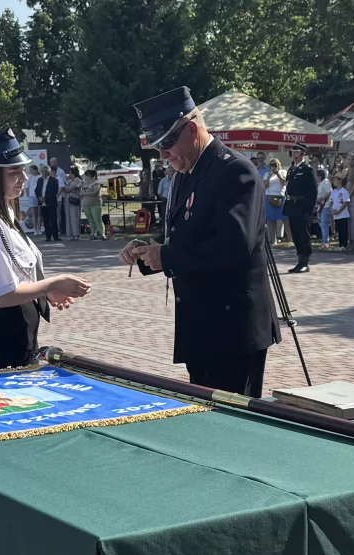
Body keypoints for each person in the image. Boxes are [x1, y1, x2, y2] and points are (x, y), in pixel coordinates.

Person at [119, 87, 280, 396]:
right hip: (202, 328)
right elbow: (187, 236)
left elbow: (235, 245)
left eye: (166, 143)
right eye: (157, 147)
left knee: (232, 429)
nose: (162, 155)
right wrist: (148, 250)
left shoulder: (234, 171)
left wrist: (166, 256)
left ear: (192, 128)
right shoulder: (185, 173)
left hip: (233, 330)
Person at [0, 129, 92, 369]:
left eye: (22, 170)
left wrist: (44, 293)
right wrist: (52, 284)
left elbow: (18, 273)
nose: (24, 178)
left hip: (18, 332)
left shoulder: (4, 213)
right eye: (14, 172)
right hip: (0, 337)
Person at [284, 145, 317, 272]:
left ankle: (305, 262)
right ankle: (299, 260)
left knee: (304, 234)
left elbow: (313, 192)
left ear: (303, 154)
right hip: (292, 205)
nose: (294, 154)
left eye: (296, 152)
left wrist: (309, 210)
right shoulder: (291, 169)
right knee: (296, 234)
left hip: (302, 206)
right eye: (293, 152)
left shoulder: (308, 170)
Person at [264, 157, 288, 245]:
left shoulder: (283, 172)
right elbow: (264, 186)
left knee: (284, 218)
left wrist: (277, 173)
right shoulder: (267, 174)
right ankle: (273, 240)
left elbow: (284, 182)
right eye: (271, 165)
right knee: (270, 220)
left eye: (275, 165)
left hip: (280, 197)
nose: (273, 167)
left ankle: (288, 238)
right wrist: (269, 176)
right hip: (269, 197)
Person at [325, 171, 350, 249]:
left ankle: (344, 245)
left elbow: (345, 202)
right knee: (339, 229)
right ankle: (340, 244)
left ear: (340, 180)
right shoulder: (334, 192)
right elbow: (331, 202)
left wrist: (339, 211)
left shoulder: (344, 191)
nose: (334, 182)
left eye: (335, 180)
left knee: (344, 230)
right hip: (336, 215)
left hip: (343, 215)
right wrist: (332, 210)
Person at [79, 166, 105, 239]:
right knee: (90, 220)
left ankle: (101, 233)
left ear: (89, 175)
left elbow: (95, 192)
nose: (85, 177)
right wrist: (84, 192)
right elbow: (81, 192)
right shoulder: (84, 183)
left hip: (95, 204)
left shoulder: (97, 183)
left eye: (86, 175)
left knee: (97, 219)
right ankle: (93, 233)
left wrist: (85, 193)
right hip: (86, 204)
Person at [40, 159, 62, 242]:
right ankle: (48, 236)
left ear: (48, 172)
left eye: (44, 171)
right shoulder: (40, 180)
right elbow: (37, 190)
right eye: (42, 171)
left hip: (51, 202)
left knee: (53, 219)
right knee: (45, 220)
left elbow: (54, 191)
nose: (42, 173)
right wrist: (39, 197)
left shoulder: (54, 180)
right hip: (42, 203)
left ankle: (55, 236)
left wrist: (45, 197)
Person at [315, 166, 333, 246]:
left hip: (326, 205)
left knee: (324, 224)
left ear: (319, 176)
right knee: (321, 223)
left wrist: (321, 198)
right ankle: (324, 240)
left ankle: (326, 242)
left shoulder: (326, 182)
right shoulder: (320, 183)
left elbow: (329, 192)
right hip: (319, 206)